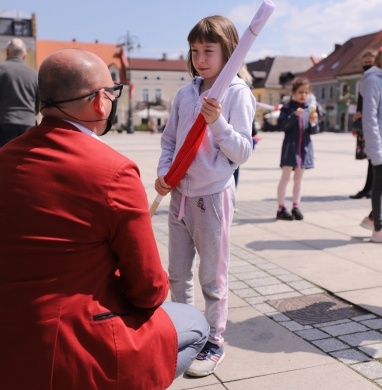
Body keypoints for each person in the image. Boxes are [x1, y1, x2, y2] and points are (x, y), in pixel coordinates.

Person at [0, 48, 210, 390]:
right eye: (112, 91)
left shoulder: (3, 160)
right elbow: (149, 290)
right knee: (195, 324)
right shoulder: (112, 170)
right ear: (99, 102)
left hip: (5, 338)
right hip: (76, 349)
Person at [155, 15, 255, 377]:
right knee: (177, 274)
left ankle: (214, 339)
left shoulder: (237, 94)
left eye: (208, 50)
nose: (200, 58)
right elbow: (170, 142)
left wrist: (218, 123)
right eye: (195, 50)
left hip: (212, 198)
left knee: (213, 276)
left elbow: (242, 151)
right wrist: (164, 173)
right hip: (179, 195)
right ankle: (186, 332)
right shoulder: (185, 93)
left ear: (228, 51)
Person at [276, 77, 319, 221]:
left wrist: (313, 122)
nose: (303, 95)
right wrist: (294, 115)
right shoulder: (287, 108)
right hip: (291, 147)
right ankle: (281, 208)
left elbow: (314, 131)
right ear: (293, 92)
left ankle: (296, 206)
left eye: (306, 93)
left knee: (299, 179)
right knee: (285, 177)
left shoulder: (309, 109)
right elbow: (282, 126)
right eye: (300, 92)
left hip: (305, 148)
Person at [0, 38, 38, 148]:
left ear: (7, 52)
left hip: (6, 122)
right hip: (29, 123)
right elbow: (38, 104)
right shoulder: (35, 74)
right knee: (26, 159)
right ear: (25, 55)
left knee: (8, 159)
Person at [360, 47, 382, 243]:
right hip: (379, 143)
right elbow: (370, 118)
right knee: (379, 185)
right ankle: (378, 229)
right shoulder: (373, 80)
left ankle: (373, 218)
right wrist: (376, 150)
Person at [349, 49, 376, 200]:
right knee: (370, 158)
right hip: (365, 124)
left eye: (369, 63)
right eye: (364, 63)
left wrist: (364, 112)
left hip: (374, 123)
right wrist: (357, 123)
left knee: (375, 158)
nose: (366, 65)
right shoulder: (365, 78)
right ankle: (368, 188)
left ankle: (372, 189)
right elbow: (361, 101)